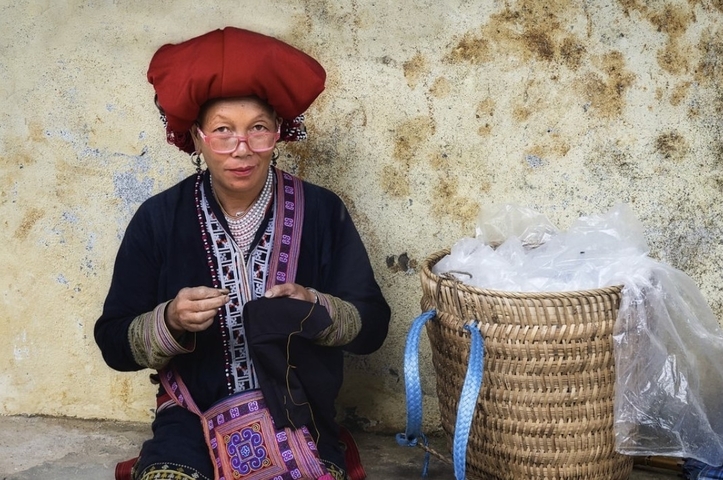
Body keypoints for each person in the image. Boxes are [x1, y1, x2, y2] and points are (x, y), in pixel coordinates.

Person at [94, 27, 391, 480]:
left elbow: (372, 326)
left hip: (300, 415)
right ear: (196, 139)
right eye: (222, 132)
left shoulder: (323, 212)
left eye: (257, 129)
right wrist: (170, 319)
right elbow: (114, 341)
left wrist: (317, 306)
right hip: (190, 416)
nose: (242, 149)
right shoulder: (158, 219)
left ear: (278, 132)